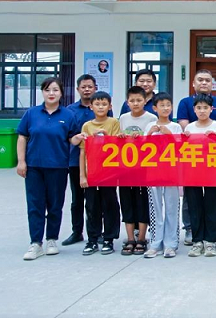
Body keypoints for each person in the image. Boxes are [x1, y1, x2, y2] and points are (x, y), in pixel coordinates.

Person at [16, 77, 78, 261]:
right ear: (42, 92)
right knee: (35, 204)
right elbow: (22, 137)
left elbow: (72, 138)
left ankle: (51, 239)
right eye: (47, 90)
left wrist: (79, 138)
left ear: (61, 93)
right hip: (34, 166)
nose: (51, 93)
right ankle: (35, 243)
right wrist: (21, 161)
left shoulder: (68, 115)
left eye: (55, 90)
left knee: (55, 205)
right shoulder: (32, 113)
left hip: (58, 166)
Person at [177, 69, 216, 246]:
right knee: (192, 201)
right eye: (200, 80)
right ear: (193, 83)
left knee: (212, 201)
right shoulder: (185, 105)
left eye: (207, 80)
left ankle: (210, 235)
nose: (204, 83)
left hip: (213, 164)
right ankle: (193, 232)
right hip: (193, 164)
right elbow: (184, 133)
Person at [64, 74, 111, 247]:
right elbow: (67, 135)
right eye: (83, 87)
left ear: (95, 88)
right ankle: (77, 232)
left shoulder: (103, 107)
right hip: (76, 160)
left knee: (98, 199)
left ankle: (99, 233)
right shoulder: (70, 110)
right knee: (77, 199)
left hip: (99, 162)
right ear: (78, 89)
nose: (87, 90)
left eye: (90, 86)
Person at [76, 91, 121, 256]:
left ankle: (109, 238)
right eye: (97, 104)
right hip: (92, 173)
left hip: (109, 173)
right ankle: (92, 239)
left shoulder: (114, 122)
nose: (101, 107)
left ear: (110, 106)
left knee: (110, 205)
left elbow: (117, 146)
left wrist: (105, 137)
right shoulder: (87, 126)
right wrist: (82, 175)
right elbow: (83, 152)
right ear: (91, 106)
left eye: (104, 104)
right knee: (91, 206)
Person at [182, 94, 216, 258]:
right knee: (194, 207)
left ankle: (210, 241)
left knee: (211, 206)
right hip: (192, 172)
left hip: (212, 172)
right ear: (194, 110)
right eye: (199, 108)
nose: (202, 111)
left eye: (205, 108)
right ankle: (197, 241)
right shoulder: (189, 128)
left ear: (211, 109)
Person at [118, 86, 157, 256]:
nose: (135, 103)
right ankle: (130, 239)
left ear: (145, 101)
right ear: (127, 102)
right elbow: (118, 140)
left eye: (139, 100)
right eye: (132, 101)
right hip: (126, 167)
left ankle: (141, 238)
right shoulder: (123, 118)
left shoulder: (152, 118)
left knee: (142, 203)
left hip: (144, 168)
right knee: (126, 201)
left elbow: (155, 142)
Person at [143, 92, 183, 259]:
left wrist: (168, 134)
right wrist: (149, 135)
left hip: (171, 172)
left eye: (168, 105)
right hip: (153, 172)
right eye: (162, 105)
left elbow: (180, 148)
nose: (166, 108)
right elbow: (142, 149)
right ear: (155, 108)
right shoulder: (149, 126)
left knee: (172, 207)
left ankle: (171, 244)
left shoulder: (176, 127)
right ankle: (155, 243)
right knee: (156, 208)